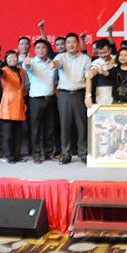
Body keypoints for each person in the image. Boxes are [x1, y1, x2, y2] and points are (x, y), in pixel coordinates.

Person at [51, 33, 93, 164]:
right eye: (68, 42)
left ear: (78, 43)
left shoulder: (85, 58)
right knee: (65, 125)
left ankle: (83, 153)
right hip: (64, 95)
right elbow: (57, 64)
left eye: (73, 42)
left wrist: (88, 95)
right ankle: (66, 154)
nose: (70, 45)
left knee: (82, 125)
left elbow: (88, 78)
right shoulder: (61, 57)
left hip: (79, 94)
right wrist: (53, 64)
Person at [22, 39, 56, 164]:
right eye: (38, 48)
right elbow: (27, 67)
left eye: (43, 47)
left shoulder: (52, 63)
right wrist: (27, 64)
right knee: (35, 129)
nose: (41, 50)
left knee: (49, 128)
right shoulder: (31, 62)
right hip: (36, 100)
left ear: (47, 49)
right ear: (34, 50)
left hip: (50, 98)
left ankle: (48, 153)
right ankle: (36, 154)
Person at [0, 50, 27, 164]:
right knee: (8, 134)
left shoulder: (21, 71)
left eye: (14, 57)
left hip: (19, 102)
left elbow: (22, 87)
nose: (12, 59)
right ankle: (8, 156)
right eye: (9, 58)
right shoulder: (4, 70)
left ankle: (16, 155)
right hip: (8, 103)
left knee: (18, 133)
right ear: (6, 59)